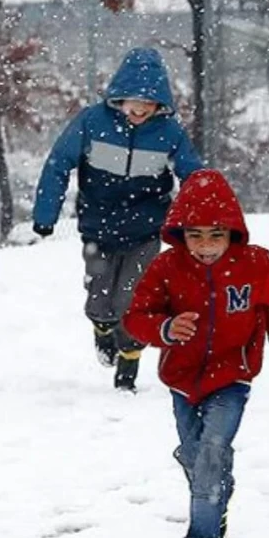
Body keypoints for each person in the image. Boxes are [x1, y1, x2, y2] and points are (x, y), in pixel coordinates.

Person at [123, 169, 269, 538]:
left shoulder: (255, 264)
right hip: (182, 379)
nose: (205, 246)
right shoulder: (167, 267)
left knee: (212, 449)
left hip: (232, 375)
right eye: (195, 235)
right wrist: (164, 328)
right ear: (180, 234)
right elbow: (136, 317)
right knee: (194, 454)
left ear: (233, 233)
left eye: (216, 235)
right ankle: (215, 492)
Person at [32, 48, 201, 391]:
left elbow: (194, 175)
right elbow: (59, 163)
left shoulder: (169, 132)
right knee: (100, 299)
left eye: (148, 105)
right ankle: (102, 329)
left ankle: (129, 362)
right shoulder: (92, 122)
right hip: (98, 227)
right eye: (133, 103)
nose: (139, 111)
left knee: (133, 299)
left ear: (161, 105)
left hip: (145, 230)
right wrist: (45, 214)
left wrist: (202, 219)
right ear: (119, 98)